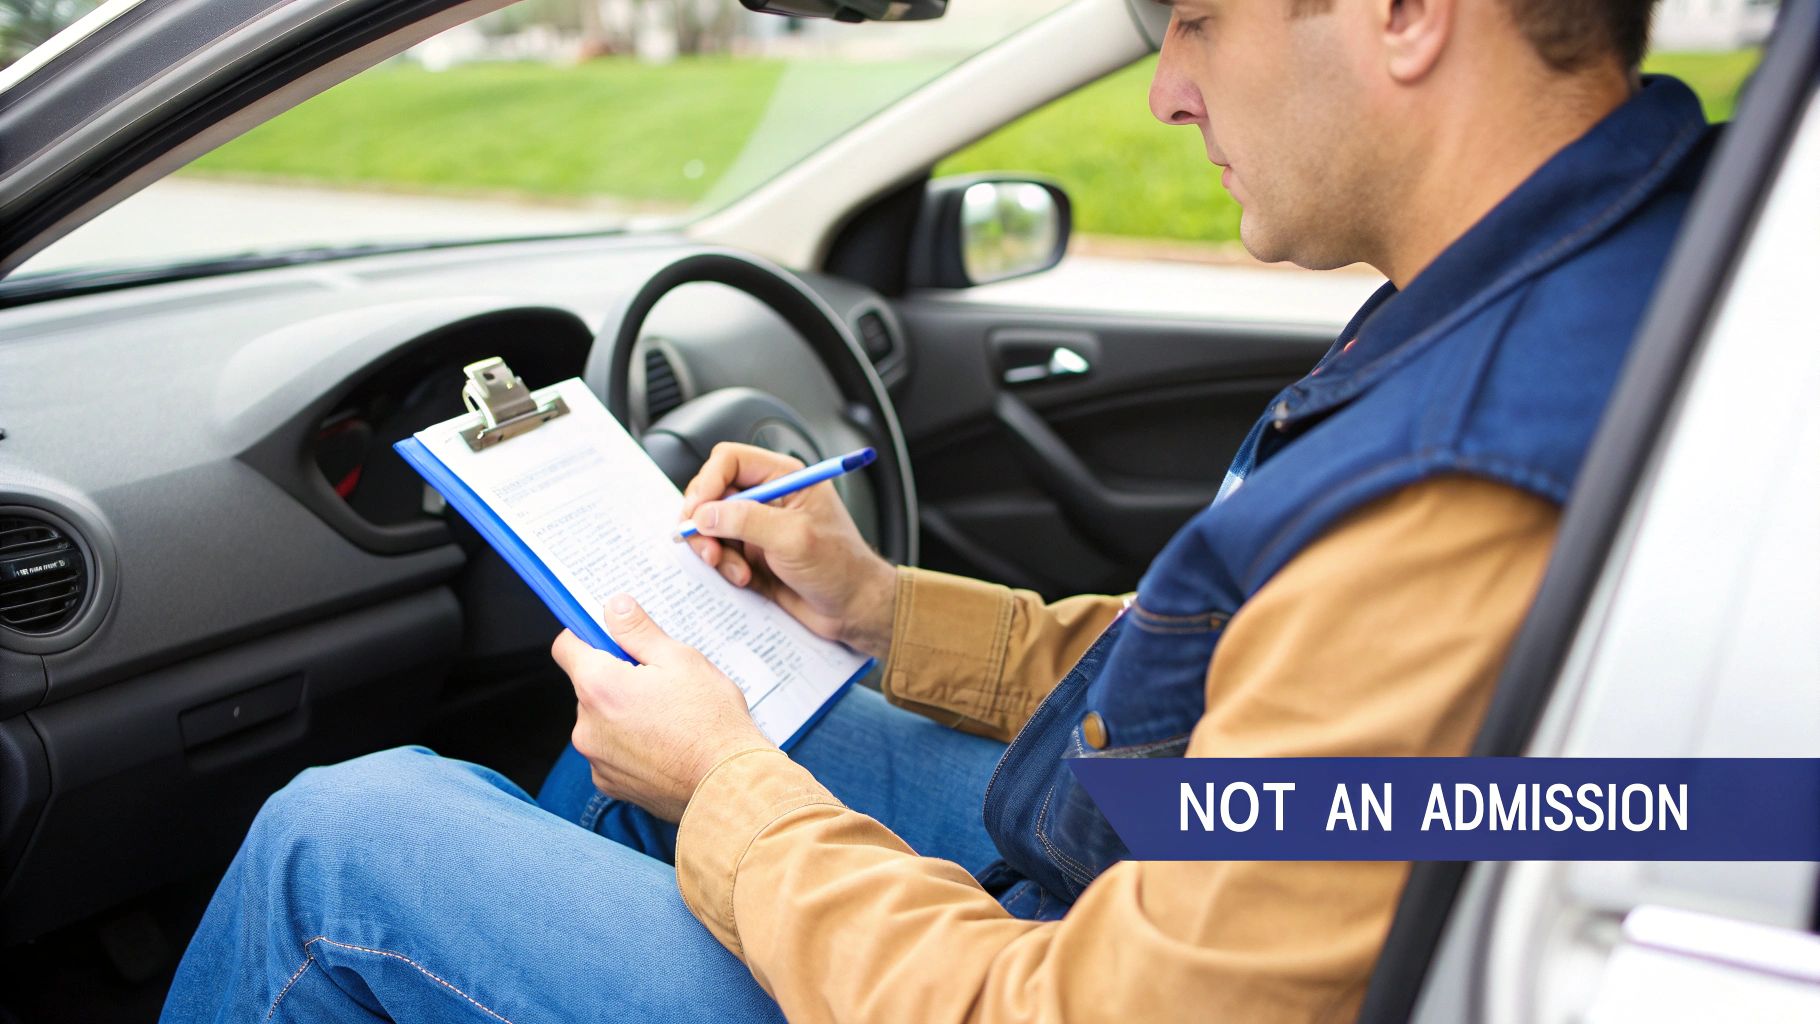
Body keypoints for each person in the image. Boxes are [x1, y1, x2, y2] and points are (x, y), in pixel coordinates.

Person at [161, 0, 1715, 1021]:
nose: (1169, 90)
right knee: (657, 738)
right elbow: (1260, 696)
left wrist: (727, 792)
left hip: (1078, 959)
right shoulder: (1584, 284)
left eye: (1195, 20)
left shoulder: (1467, 480)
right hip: (1132, 865)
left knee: (336, 843)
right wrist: (879, 605)